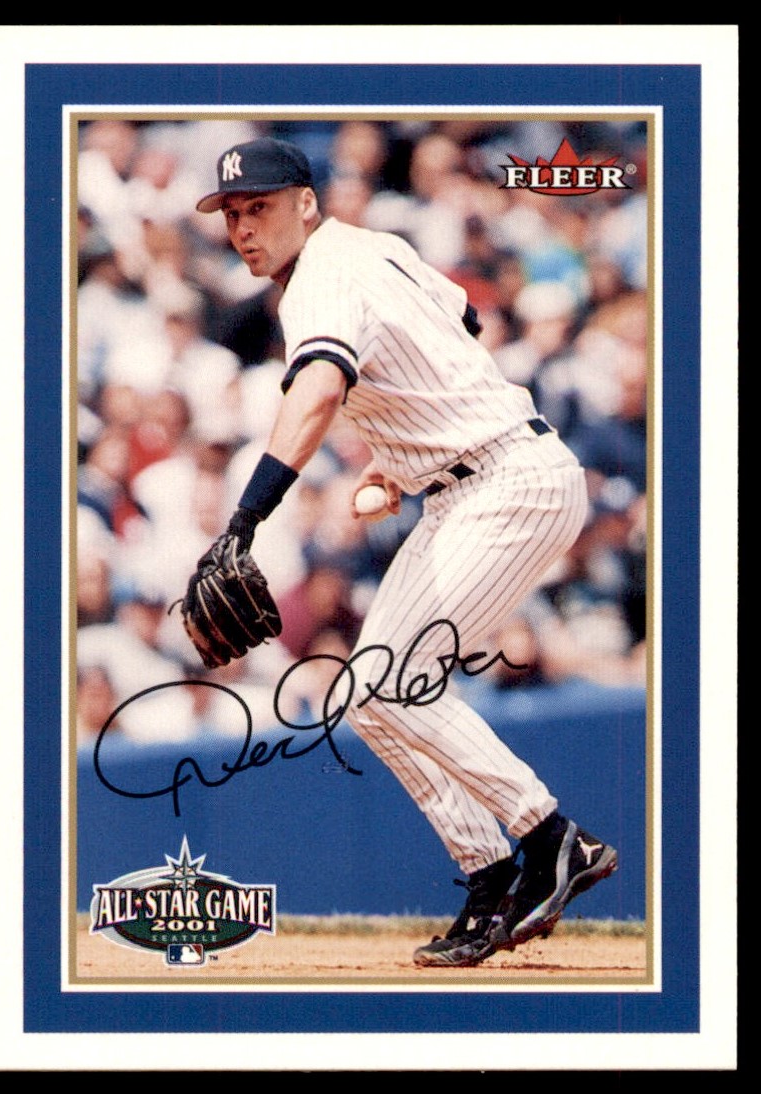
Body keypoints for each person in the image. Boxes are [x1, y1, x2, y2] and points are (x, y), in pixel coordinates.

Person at [184, 137, 618, 968]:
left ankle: (549, 837)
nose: (244, 229)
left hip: (505, 482)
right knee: (369, 695)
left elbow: (319, 389)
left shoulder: (317, 279)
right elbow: (461, 321)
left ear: (306, 203)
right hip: (482, 476)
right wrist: (410, 448)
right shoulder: (373, 246)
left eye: (260, 208)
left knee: (387, 683)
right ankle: (490, 873)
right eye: (233, 214)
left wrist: (244, 521)